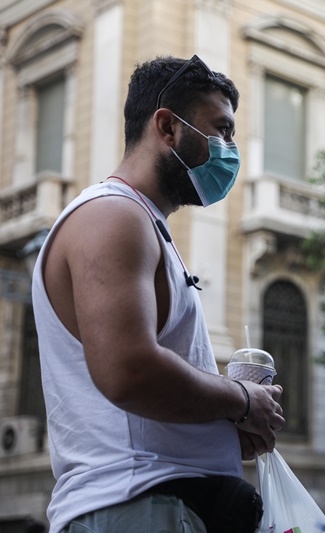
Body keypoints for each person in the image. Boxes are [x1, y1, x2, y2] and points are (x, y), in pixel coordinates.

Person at [32, 55, 284, 533]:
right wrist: (242, 400)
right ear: (167, 127)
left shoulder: (142, 223)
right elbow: (128, 371)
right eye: (221, 130)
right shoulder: (113, 216)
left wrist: (220, 424)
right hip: (138, 506)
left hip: (159, 506)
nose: (229, 149)